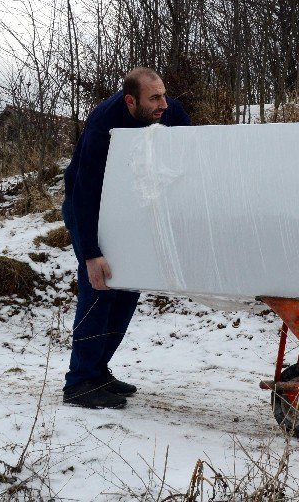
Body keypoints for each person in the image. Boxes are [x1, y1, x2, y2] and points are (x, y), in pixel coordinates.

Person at [61, 68, 191, 409]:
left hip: (129, 209)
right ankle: (78, 383)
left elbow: (186, 155)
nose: (165, 104)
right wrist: (91, 252)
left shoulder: (170, 112)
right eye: (155, 98)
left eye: (164, 94)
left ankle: (97, 371)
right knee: (99, 288)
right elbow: (84, 191)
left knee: (127, 289)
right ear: (130, 100)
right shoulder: (103, 124)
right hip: (89, 209)